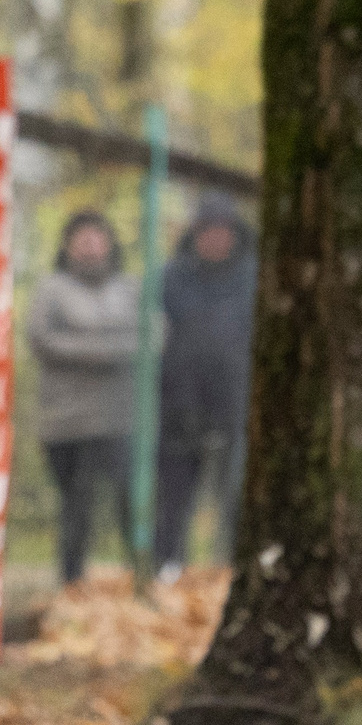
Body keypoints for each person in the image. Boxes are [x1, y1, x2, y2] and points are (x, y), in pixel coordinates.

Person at [28, 210, 140, 585]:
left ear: (109, 243)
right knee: (76, 506)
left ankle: (140, 578)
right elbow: (42, 339)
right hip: (67, 422)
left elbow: (155, 335)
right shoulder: (52, 289)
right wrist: (105, 350)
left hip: (121, 419)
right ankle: (72, 583)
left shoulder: (130, 289)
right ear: (68, 245)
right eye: (82, 238)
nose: (90, 245)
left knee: (131, 502)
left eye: (97, 237)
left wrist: (92, 347)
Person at [153, 194, 256, 577]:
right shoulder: (172, 277)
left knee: (236, 493)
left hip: (236, 403)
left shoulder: (252, 277)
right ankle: (169, 567)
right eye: (207, 231)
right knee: (175, 493)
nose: (215, 239)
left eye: (222, 231)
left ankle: (232, 567)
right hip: (179, 405)